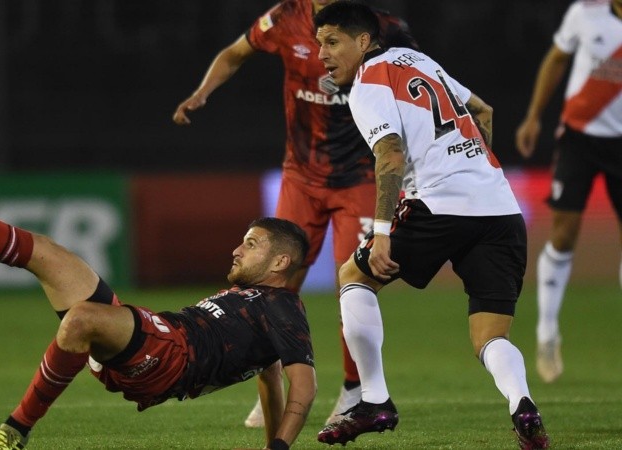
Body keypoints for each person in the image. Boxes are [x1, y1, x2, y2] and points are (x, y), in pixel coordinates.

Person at [0, 131, 317, 450]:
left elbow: (304, 385)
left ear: (281, 262)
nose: (236, 249)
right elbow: (269, 374)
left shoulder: (284, 307)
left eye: (252, 244)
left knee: (81, 319)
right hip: (154, 337)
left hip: (171, 359)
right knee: (48, 254)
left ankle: (13, 433)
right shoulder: (259, 306)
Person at [311, 2, 549, 449]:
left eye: (332, 41)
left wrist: (381, 232)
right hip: (499, 207)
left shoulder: (367, 83)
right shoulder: (418, 60)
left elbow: (392, 156)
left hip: (437, 206)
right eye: (319, 43)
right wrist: (473, 171)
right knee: (489, 337)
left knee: (353, 276)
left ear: (363, 41)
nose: (322, 54)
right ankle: (523, 404)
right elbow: (485, 110)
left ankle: (374, 400)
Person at [173, 0, 418, 427]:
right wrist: (201, 92)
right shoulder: (285, 17)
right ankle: (270, 386)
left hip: (360, 178)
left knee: (356, 285)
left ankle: (353, 390)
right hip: (301, 177)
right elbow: (235, 52)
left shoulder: (384, 27)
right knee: (268, 287)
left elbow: (421, 79)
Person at [515, 0, 622, 384]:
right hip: (579, 137)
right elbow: (557, 60)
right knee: (564, 232)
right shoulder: (585, 12)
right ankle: (546, 332)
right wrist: (533, 117)